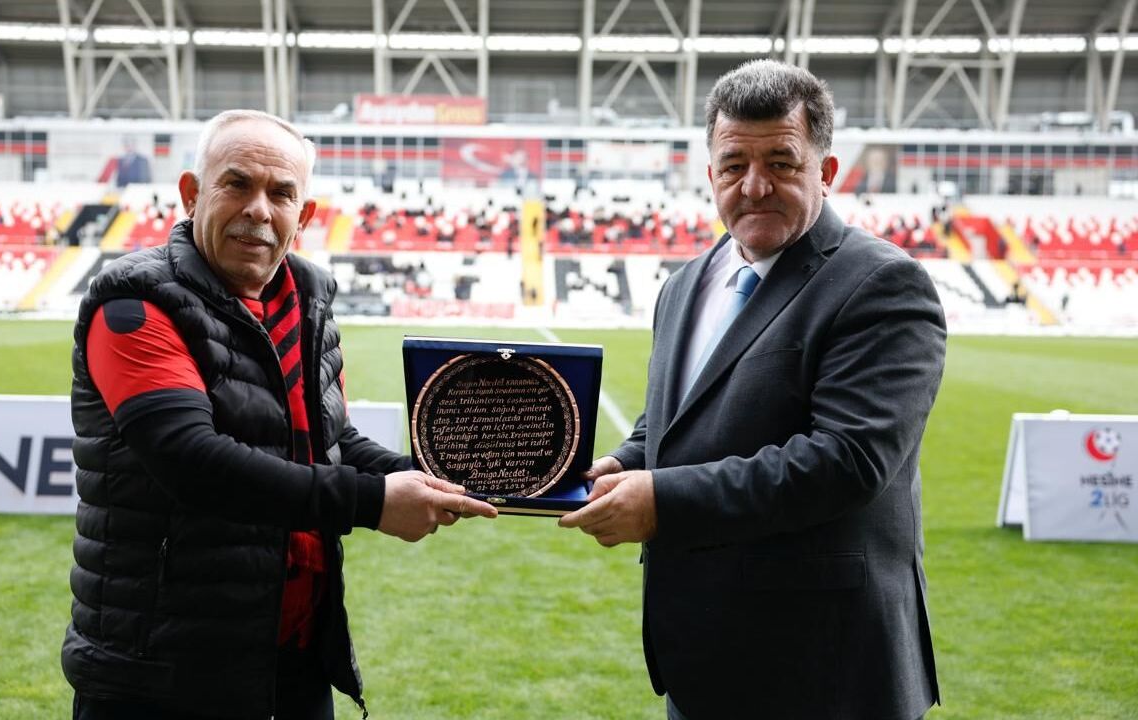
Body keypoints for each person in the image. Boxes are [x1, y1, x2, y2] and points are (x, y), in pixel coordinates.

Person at [62, 109, 496, 720]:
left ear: (305, 215)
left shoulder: (309, 301)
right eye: (236, 184)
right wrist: (373, 502)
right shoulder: (133, 303)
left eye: (281, 193)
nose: (259, 210)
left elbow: (330, 439)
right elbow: (191, 461)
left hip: (292, 657)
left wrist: (441, 476)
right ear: (191, 194)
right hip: (161, 671)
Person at [559, 60, 946, 720]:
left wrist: (663, 502)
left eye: (782, 163)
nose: (755, 185)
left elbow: (848, 461)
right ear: (710, 174)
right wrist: (623, 461)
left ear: (826, 171)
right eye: (734, 165)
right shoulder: (685, 284)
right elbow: (674, 416)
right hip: (702, 660)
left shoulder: (882, 284)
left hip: (826, 670)